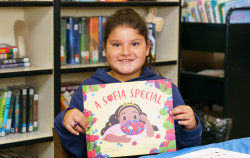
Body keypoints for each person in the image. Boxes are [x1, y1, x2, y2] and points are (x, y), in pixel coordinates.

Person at [54, 8, 202, 158]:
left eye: (135, 44)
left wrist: (191, 126)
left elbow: (188, 148)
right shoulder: (89, 90)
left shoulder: (166, 91)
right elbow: (75, 145)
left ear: (147, 48)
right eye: (117, 45)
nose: (126, 52)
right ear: (104, 48)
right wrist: (65, 118)